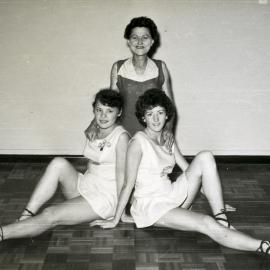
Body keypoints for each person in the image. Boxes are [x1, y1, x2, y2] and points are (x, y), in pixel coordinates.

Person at [91, 89, 270, 256]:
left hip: (171, 194)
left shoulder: (167, 138)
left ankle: (222, 219)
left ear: (166, 115)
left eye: (160, 112)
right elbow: (127, 183)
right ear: (143, 117)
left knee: (205, 156)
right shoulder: (138, 142)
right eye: (150, 113)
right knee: (206, 222)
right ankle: (263, 246)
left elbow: (189, 170)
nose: (155, 119)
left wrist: (214, 198)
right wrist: (117, 217)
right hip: (153, 205)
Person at [0, 89, 130, 241]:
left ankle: (3, 233)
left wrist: (120, 215)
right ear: (94, 110)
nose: (103, 116)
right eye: (99, 110)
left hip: (105, 198)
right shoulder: (95, 128)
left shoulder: (122, 137)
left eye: (109, 111)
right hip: (86, 185)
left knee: (51, 213)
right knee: (58, 163)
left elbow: (123, 179)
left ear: (119, 112)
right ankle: (25, 216)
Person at [85, 16, 174, 149]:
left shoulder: (161, 67)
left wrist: (168, 129)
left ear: (152, 41)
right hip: (123, 135)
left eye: (145, 37)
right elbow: (108, 104)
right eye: (134, 37)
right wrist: (93, 125)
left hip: (153, 133)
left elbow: (170, 106)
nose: (139, 42)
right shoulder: (118, 67)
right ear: (128, 41)